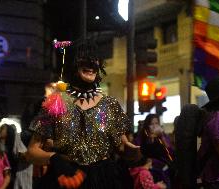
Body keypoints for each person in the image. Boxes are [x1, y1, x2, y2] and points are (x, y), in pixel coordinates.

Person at [25, 41, 139, 189]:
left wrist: (141, 150)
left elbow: (123, 148)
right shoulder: (56, 102)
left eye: (95, 61)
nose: (91, 65)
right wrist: (55, 159)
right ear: (73, 65)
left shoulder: (110, 104)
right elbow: (31, 152)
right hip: (69, 179)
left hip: (105, 180)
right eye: (85, 60)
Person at [134, 114, 174, 189]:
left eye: (156, 123)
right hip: (147, 172)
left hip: (163, 171)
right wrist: (150, 139)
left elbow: (170, 152)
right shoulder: (141, 137)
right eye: (152, 124)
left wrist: (161, 137)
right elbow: (138, 154)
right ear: (147, 125)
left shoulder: (163, 136)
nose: (154, 126)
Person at [0, 121, 33, 189]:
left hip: (20, 174)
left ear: (9, 131)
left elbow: (27, 157)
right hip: (7, 177)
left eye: (2, 128)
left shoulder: (19, 140)